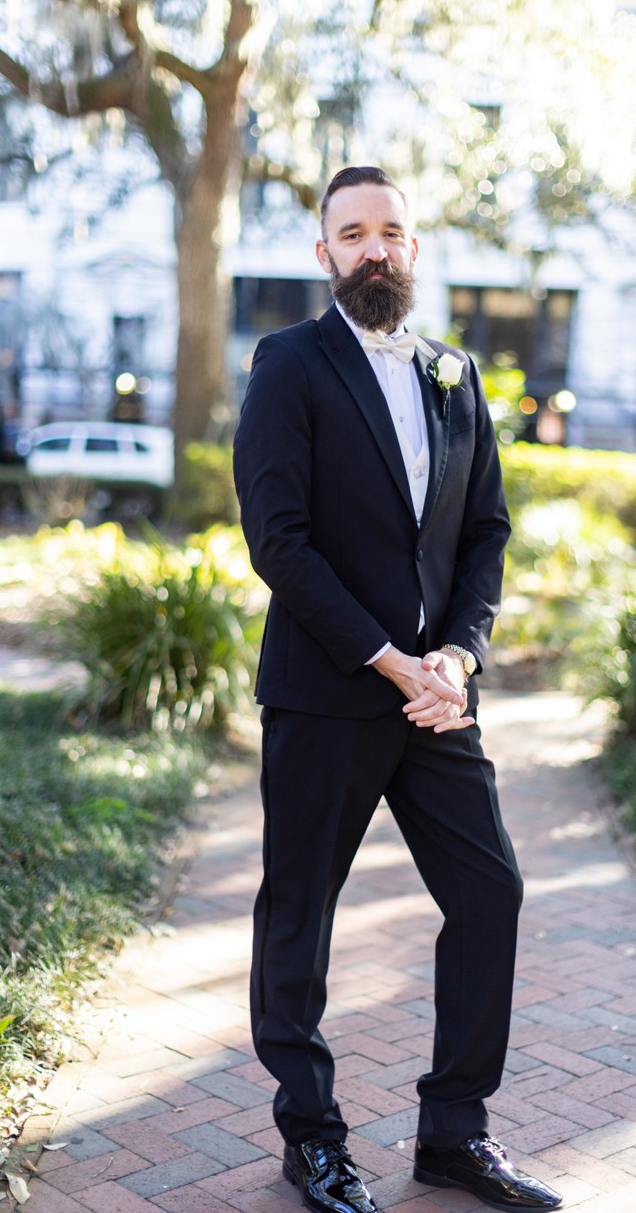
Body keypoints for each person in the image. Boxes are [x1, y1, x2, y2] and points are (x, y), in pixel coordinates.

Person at [233, 165, 562, 1213]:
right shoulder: (288, 363)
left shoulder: (454, 372)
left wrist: (456, 658)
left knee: (490, 894)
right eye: (352, 233)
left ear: (413, 247)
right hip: (329, 691)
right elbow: (278, 540)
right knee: (300, 914)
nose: (373, 249)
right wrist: (387, 657)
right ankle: (314, 1139)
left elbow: (484, 532)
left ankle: (454, 1134)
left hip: (437, 700)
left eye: (390, 231)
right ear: (323, 252)